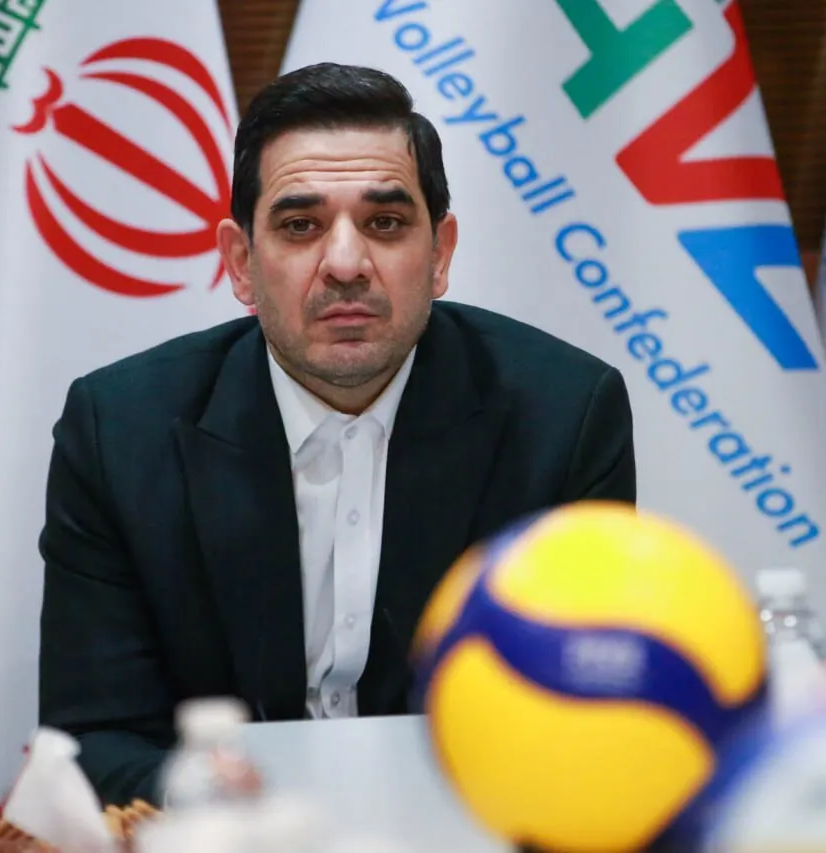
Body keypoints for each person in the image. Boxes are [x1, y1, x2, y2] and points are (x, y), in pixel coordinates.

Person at [37, 62, 635, 806]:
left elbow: (585, 713)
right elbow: (93, 737)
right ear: (241, 263)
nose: (346, 265)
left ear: (440, 254)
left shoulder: (564, 416)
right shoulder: (120, 430)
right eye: (300, 226)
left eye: (385, 224)